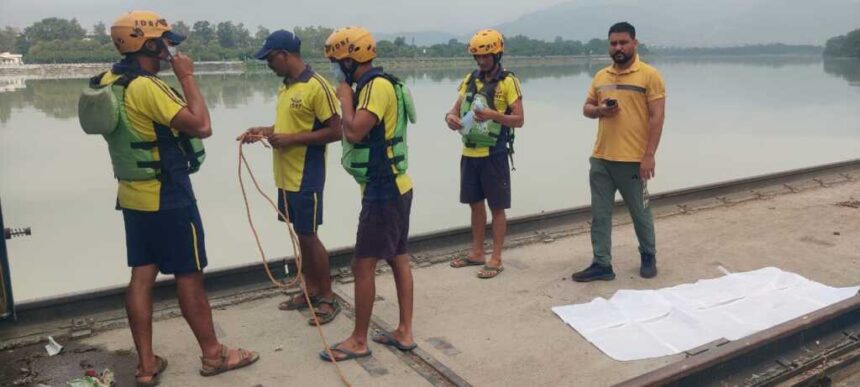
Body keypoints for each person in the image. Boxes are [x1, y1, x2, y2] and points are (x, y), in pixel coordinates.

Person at [86, 11, 258, 385]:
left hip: (133, 195)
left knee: (142, 276)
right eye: (166, 41)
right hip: (168, 195)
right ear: (150, 44)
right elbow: (202, 126)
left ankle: (146, 366)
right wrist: (187, 77)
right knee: (189, 275)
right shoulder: (146, 86)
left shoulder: (110, 81)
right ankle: (214, 355)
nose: (171, 47)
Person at [320, 26, 417, 361]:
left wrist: (345, 100)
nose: (335, 66)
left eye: (337, 60)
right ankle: (404, 331)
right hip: (396, 186)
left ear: (351, 59)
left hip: (384, 190)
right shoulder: (377, 83)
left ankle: (358, 340)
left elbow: (357, 131)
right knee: (398, 257)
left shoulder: (375, 87)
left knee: (362, 265)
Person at [239, 30, 343, 325]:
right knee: (301, 236)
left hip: (306, 175)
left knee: (310, 237)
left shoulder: (317, 86)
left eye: (271, 59)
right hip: (285, 176)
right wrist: (263, 131)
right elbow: (287, 127)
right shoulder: (286, 87)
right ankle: (309, 291)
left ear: (285, 55)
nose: (269, 65)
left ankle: (327, 297)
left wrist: (292, 140)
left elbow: (336, 132)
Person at [572, 21, 666, 282]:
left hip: (633, 160)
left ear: (634, 43)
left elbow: (657, 118)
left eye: (623, 42)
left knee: (640, 212)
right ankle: (602, 264)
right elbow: (587, 108)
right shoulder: (601, 76)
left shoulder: (650, 76)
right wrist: (600, 110)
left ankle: (648, 256)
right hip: (601, 158)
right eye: (613, 43)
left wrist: (649, 155)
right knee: (599, 215)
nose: (618, 48)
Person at [444, 29, 524, 279]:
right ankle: (477, 252)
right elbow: (453, 110)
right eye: (477, 57)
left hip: (494, 154)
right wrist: (451, 119)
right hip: (469, 153)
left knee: (497, 207)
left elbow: (519, 120)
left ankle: (496, 257)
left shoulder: (509, 81)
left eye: (486, 56)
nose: (481, 61)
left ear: (497, 54)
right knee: (474, 205)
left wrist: (494, 115)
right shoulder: (469, 79)